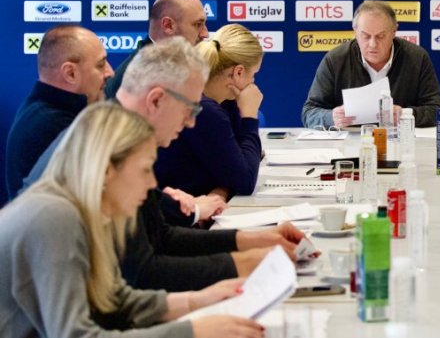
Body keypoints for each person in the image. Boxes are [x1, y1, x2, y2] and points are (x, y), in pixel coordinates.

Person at [23, 38, 305, 292]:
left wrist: (254, 240)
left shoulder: (116, 129)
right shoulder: (110, 147)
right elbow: (143, 272)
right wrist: (242, 263)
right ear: (156, 99)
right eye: (190, 108)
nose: (191, 122)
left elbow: (159, 235)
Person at [0, 102, 265, 338]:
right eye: (145, 169)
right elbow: (77, 334)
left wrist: (196, 301)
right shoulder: (55, 218)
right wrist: (193, 331)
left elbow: (112, 299)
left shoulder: (81, 209)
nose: (151, 184)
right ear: (107, 171)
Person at [155, 24, 264, 199]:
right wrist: (250, 116)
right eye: (253, 75)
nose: (253, 82)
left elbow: (240, 161)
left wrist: (222, 189)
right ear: (238, 72)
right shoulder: (204, 110)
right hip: (176, 212)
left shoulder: (208, 100)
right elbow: (245, 181)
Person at [5, 25, 113, 198]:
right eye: (100, 65)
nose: (110, 73)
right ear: (70, 73)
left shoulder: (44, 112)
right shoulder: (53, 125)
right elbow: (102, 193)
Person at [302, 0, 440, 128]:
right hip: (350, 142)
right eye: (366, 36)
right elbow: (309, 113)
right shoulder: (335, 60)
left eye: (381, 36)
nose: (373, 44)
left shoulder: (417, 58)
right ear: (355, 31)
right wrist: (331, 117)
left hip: (401, 141)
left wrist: (405, 114)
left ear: (394, 32)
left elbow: (437, 110)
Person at [105, 0, 209, 99]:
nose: (205, 34)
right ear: (168, 25)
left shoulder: (167, 65)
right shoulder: (137, 77)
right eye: (198, 24)